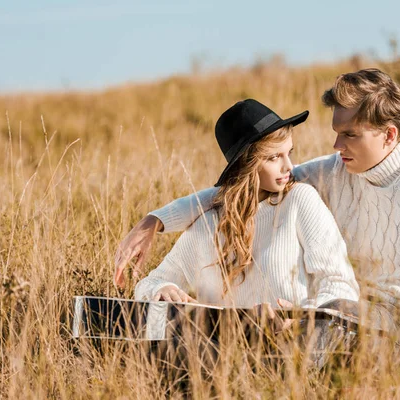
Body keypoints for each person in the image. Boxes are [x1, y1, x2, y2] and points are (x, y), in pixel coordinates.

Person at [117, 69, 400, 371]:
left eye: (350, 134)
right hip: (338, 320)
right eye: (336, 132)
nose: (336, 144)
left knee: (307, 335)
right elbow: (241, 189)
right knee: (277, 334)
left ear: (388, 134)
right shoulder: (332, 170)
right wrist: (156, 220)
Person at [133, 99, 359, 313]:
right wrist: (160, 290)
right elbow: (149, 284)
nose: (289, 166)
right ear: (246, 165)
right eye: (273, 158)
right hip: (225, 350)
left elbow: (341, 285)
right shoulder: (208, 224)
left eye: (288, 153)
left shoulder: (300, 201)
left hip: (298, 348)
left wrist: (301, 318)